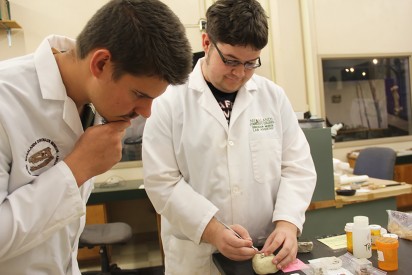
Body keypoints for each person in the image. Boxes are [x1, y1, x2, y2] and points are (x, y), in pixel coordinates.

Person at [0, 0, 192, 274]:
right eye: (139, 95)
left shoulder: (89, 103)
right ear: (101, 63)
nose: (147, 113)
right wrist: (77, 168)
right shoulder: (6, 98)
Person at [142, 0, 317, 274]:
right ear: (206, 42)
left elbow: (298, 168)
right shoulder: (169, 100)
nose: (239, 73)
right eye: (231, 61)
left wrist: (287, 224)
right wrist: (212, 230)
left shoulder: (273, 97)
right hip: (197, 255)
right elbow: (161, 182)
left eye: (250, 63)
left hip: (264, 250)